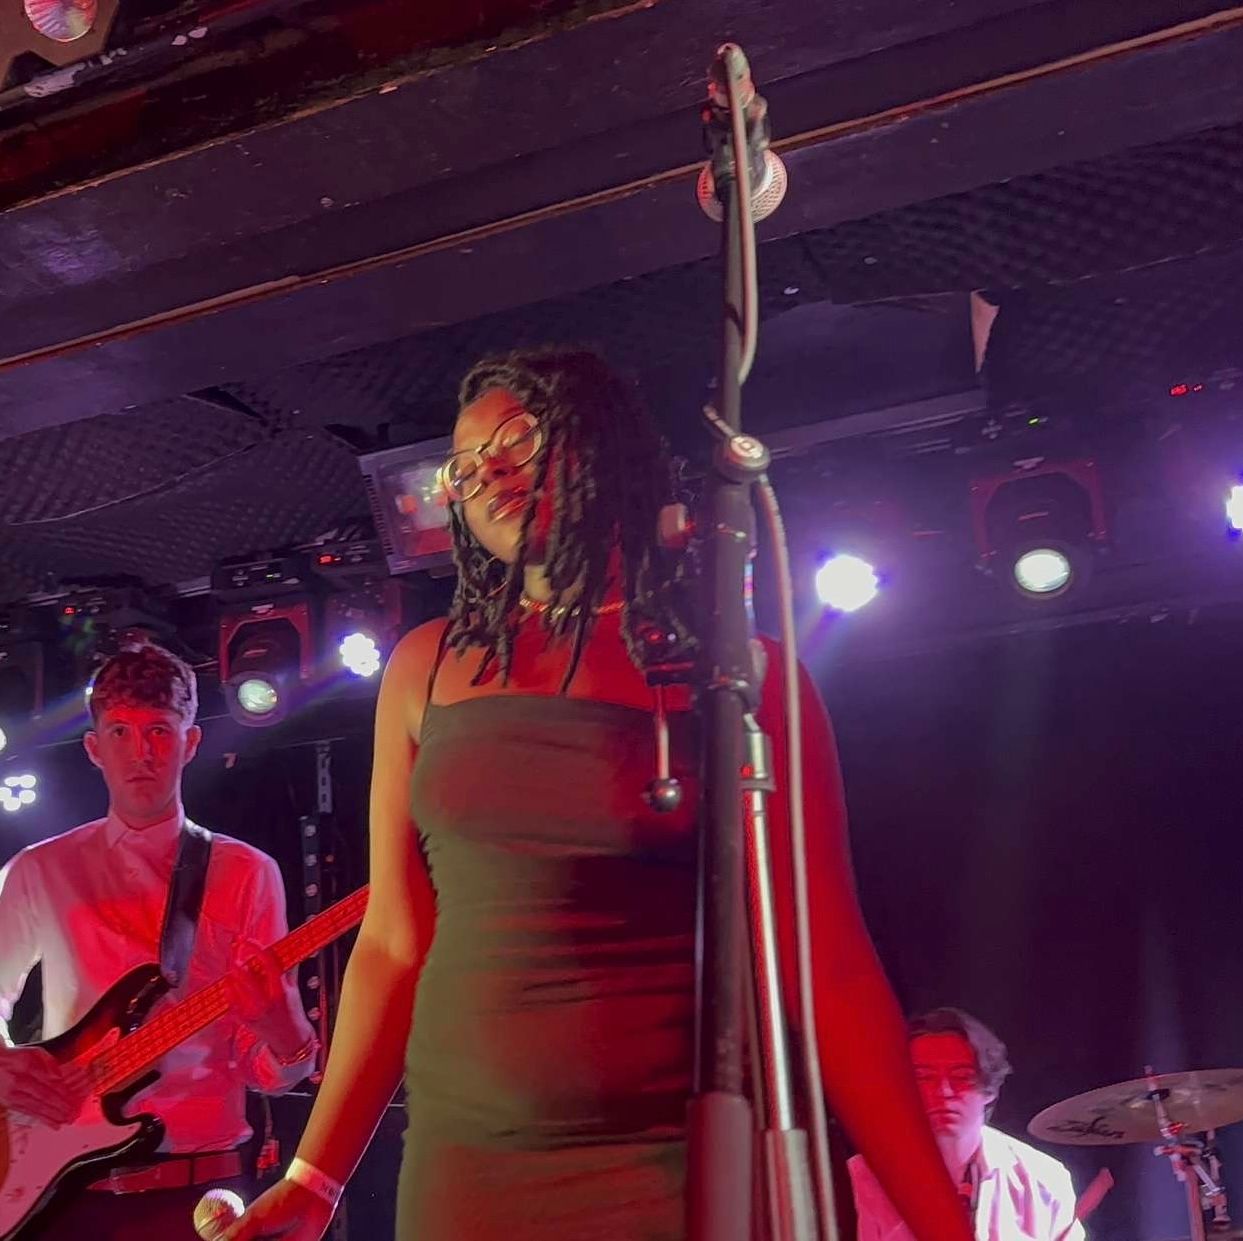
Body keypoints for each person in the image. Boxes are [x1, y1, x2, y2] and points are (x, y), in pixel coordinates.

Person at [225, 347, 972, 1241]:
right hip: (470, 1170)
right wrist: (314, 1176)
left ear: (600, 442)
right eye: (463, 466)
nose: (488, 472)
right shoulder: (426, 667)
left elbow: (828, 965)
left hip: (681, 1164)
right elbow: (391, 941)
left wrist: (945, 1225)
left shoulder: (739, 670)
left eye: (516, 439)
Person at [0, 641, 319, 1240]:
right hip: (61, 1195)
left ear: (190, 742)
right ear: (93, 748)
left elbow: (268, 1071)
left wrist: (284, 1029)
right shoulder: (39, 870)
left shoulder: (247, 873)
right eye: (120, 732)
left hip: (199, 1194)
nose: (140, 753)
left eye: (158, 732)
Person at [848, 1008, 1084, 1241]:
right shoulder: (861, 1179)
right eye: (924, 1077)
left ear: (990, 1089)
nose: (943, 1092)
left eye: (961, 1076)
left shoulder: (1043, 1179)